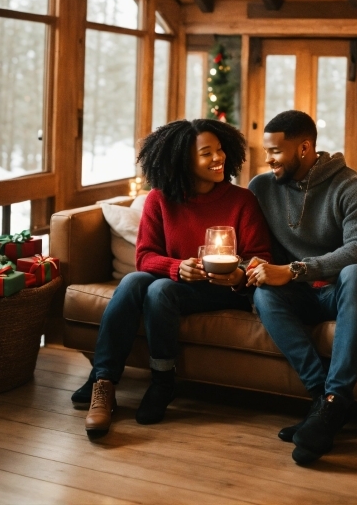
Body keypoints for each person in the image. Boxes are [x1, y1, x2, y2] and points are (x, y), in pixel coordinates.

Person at [72, 118, 272, 439]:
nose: (218, 158)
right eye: (206, 153)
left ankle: (162, 384)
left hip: (223, 289)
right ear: (182, 159)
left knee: (160, 289)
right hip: (179, 284)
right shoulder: (159, 199)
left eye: (220, 150)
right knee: (136, 282)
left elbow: (262, 257)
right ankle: (104, 380)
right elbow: (145, 257)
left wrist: (237, 273)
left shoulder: (241, 201)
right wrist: (178, 267)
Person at [246, 110, 357, 465]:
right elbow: (252, 242)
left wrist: (293, 270)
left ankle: (335, 400)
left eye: (275, 151)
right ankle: (324, 403)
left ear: (304, 148)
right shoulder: (261, 188)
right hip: (309, 295)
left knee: (353, 273)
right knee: (264, 294)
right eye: (266, 150)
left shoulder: (352, 188)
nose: (267, 159)